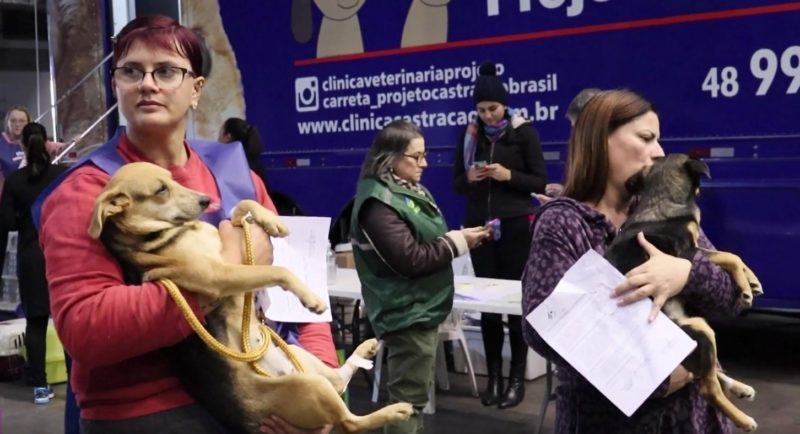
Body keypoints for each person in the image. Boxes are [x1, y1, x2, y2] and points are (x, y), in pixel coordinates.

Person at [36, 15, 334, 434]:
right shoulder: (88, 192)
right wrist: (222, 272)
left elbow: (301, 291)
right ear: (116, 85)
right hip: (151, 410)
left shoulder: (236, 175)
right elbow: (86, 327)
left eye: (166, 71)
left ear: (197, 89)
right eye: (132, 71)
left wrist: (316, 374)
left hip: (266, 382)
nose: (148, 84)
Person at [521, 89, 742, 433]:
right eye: (646, 138)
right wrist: (655, 379)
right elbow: (540, 327)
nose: (659, 152)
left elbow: (732, 300)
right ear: (600, 141)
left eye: (659, 140)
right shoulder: (564, 223)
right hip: (610, 422)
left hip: (693, 419)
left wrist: (686, 273)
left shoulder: (660, 208)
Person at [351, 120, 490, 434]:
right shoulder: (378, 204)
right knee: (406, 403)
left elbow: (424, 243)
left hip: (420, 309)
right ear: (390, 158)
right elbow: (410, 260)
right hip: (406, 313)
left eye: (424, 155)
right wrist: (457, 243)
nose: (424, 163)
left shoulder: (407, 191)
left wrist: (458, 239)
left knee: (413, 400)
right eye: (416, 157)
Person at [452, 61, 547, 409]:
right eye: (481, 110)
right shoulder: (469, 136)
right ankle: (493, 378)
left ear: (504, 105)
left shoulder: (524, 132)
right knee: (486, 306)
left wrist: (509, 176)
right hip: (480, 228)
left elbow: (538, 181)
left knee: (513, 303)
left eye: (493, 108)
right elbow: (456, 183)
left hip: (516, 225)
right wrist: (471, 179)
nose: (488, 116)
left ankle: (516, 379)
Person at [0, 122, 68, 404]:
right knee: (69, 321)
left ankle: (41, 388)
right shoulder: (63, 174)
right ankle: (78, 384)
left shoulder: (15, 181)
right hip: (64, 254)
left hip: (31, 257)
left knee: (36, 323)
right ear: (47, 142)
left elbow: (5, 224)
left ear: (23, 146)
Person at [218, 117, 268, 186]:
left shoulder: (228, 166)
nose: (218, 140)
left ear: (228, 137)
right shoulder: (255, 163)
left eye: (220, 134)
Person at [0, 106, 31, 181]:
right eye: (13, 121)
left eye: (22, 121)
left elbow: (59, 147)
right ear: (7, 123)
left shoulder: (35, 141)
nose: (17, 124)